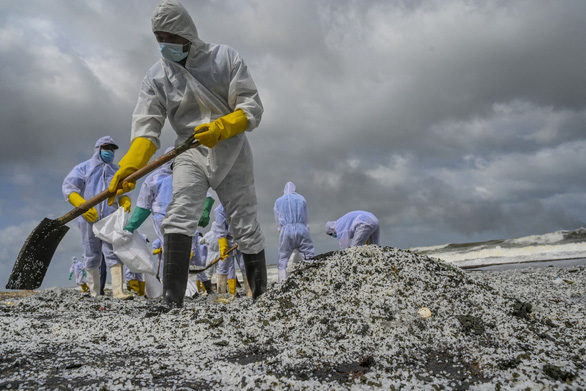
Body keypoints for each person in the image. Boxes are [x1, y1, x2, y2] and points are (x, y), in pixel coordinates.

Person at [108, 0, 266, 307]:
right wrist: (129, 166)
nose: (165, 44)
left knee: (244, 223)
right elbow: (146, 128)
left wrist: (223, 126)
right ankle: (171, 299)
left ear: (186, 33)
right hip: (188, 151)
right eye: (159, 39)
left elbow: (251, 107)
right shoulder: (156, 77)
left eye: (170, 36)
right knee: (178, 216)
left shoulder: (224, 57)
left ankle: (260, 296)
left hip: (230, 148)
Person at [62, 136, 133, 300]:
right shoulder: (83, 168)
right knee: (91, 254)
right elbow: (69, 187)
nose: (109, 152)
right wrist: (82, 205)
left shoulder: (117, 170)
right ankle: (95, 293)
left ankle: (118, 292)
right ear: (98, 149)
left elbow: (125, 191)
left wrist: (125, 200)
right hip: (88, 218)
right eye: (106, 148)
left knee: (113, 253)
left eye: (112, 149)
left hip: (110, 218)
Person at [273, 182, 315, 282]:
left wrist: (280, 230)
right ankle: (311, 278)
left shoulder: (278, 201)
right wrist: (306, 228)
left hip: (286, 231)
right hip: (301, 229)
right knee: (308, 256)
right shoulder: (301, 198)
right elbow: (306, 216)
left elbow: (277, 219)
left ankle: (282, 282)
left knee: (283, 258)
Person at [214, 204, 251, 296]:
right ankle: (221, 293)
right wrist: (222, 244)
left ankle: (250, 291)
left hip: (241, 239)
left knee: (245, 265)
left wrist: (246, 235)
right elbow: (220, 228)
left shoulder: (241, 204)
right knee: (224, 267)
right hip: (227, 241)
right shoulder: (220, 209)